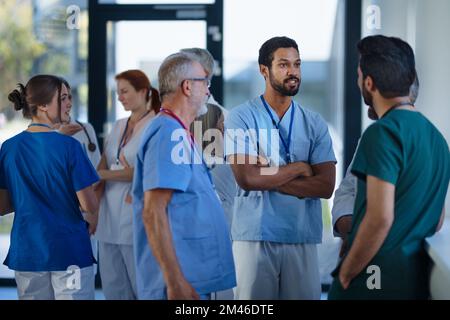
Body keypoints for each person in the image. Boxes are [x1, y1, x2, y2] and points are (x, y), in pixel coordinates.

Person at [328, 35, 450, 300]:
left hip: (372, 278)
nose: (359, 81)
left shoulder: (382, 133)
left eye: (359, 75)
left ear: (369, 83)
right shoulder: (437, 139)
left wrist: (347, 272)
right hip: (412, 280)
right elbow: (437, 220)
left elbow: (380, 218)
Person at [224, 36, 336, 300]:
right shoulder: (240, 117)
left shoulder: (314, 123)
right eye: (284, 65)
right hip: (254, 237)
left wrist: (267, 176)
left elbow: (325, 186)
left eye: (297, 64)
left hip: (302, 237)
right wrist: (299, 167)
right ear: (264, 70)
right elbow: (247, 179)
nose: (293, 72)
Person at [132, 52, 236, 300]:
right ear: (187, 86)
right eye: (205, 82)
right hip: (179, 284)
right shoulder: (168, 133)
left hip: (194, 277)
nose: (209, 91)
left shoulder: (178, 131)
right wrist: (175, 281)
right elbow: (153, 211)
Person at [0, 75, 99, 300]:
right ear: (43, 105)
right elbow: (90, 206)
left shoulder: (9, 148)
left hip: (28, 251)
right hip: (69, 250)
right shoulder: (70, 147)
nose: (69, 103)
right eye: (63, 98)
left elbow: (3, 206)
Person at [332, 75, 420, 253]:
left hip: (384, 260)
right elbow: (346, 191)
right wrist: (352, 230)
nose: (363, 87)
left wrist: (347, 271)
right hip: (364, 253)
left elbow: (384, 218)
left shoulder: (416, 140)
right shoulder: (371, 136)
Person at [95, 69, 159, 299]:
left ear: (143, 91)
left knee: (141, 286)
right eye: (117, 92)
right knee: (113, 288)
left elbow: (143, 172)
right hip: (108, 214)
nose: (120, 97)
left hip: (135, 214)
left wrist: (104, 175)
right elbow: (102, 165)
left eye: (124, 91)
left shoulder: (156, 124)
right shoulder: (119, 125)